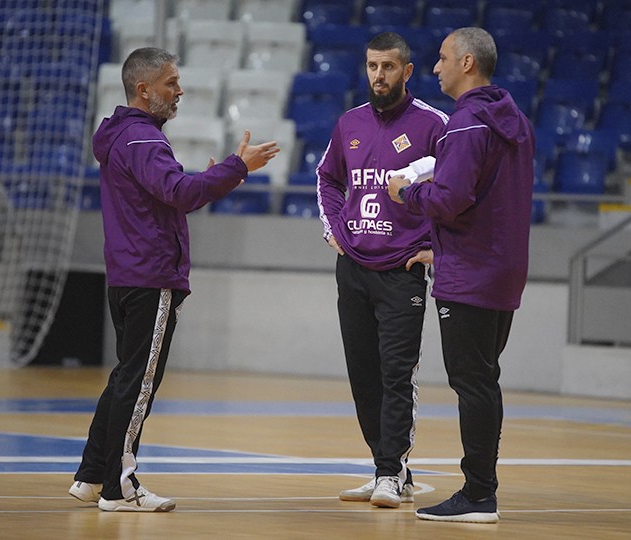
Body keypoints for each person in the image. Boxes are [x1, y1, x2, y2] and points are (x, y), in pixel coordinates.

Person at [69, 47, 279, 512]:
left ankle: (90, 474)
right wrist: (236, 167)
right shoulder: (143, 139)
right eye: (171, 83)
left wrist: (214, 176)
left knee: (126, 376)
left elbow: (164, 194)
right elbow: (181, 193)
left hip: (126, 273)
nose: (179, 91)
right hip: (150, 274)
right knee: (139, 382)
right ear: (144, 90)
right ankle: (119, 487)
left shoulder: (121, 137)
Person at [387, 27, 535, 523]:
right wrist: (444, 252)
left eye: (443, 57)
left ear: (467, 63)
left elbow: (449, 200)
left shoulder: (467, 124)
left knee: (472, 383)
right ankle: (480, 490)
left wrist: (406, 193)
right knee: (483, 379)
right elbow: (491, 201)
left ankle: (477, 495)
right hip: (499, 269)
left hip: (471, 275)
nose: (435, 67)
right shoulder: (515, 121)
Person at [317, 32, 449, 509]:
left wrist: (439, 247)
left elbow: (459, 189)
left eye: (388, 67)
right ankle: (388, 468)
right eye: (373, 66)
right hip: (352, 267)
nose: (379, 75)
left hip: (401, 270)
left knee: (396, 373)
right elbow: (327, 178)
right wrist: (332, 227)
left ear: (407, 71)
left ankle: (390, 471)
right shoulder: (348, 122)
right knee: (363, 374)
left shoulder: (435, 124)